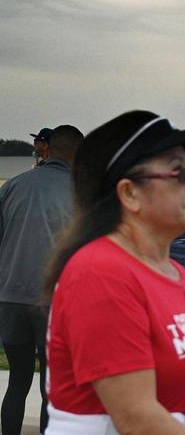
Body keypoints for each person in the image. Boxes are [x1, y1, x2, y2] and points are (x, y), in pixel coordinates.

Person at [41, 111, 185, 433]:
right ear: (129, 193)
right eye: (178, 171)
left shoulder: (172, 271)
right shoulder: (101, 272)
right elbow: (137, 418)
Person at [0, 125, 82, 435]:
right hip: (54, 303)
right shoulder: (83, 192)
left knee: (17, 381)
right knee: (53, 386)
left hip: (11, 298)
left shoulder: (13, 186)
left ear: (48, 149)